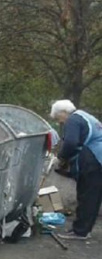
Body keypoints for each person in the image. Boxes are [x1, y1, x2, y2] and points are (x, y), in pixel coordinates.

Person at [50, 99, 102, 240]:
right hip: (99, 158)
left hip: (94, 159)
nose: (60, 123)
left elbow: (71, 143)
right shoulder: (84, 116)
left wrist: (61, 157)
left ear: (63, 112)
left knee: (87, 195)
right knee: (94, 196)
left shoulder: (73, 119)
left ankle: (80, 231)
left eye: (58, 118)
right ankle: (85, 229)